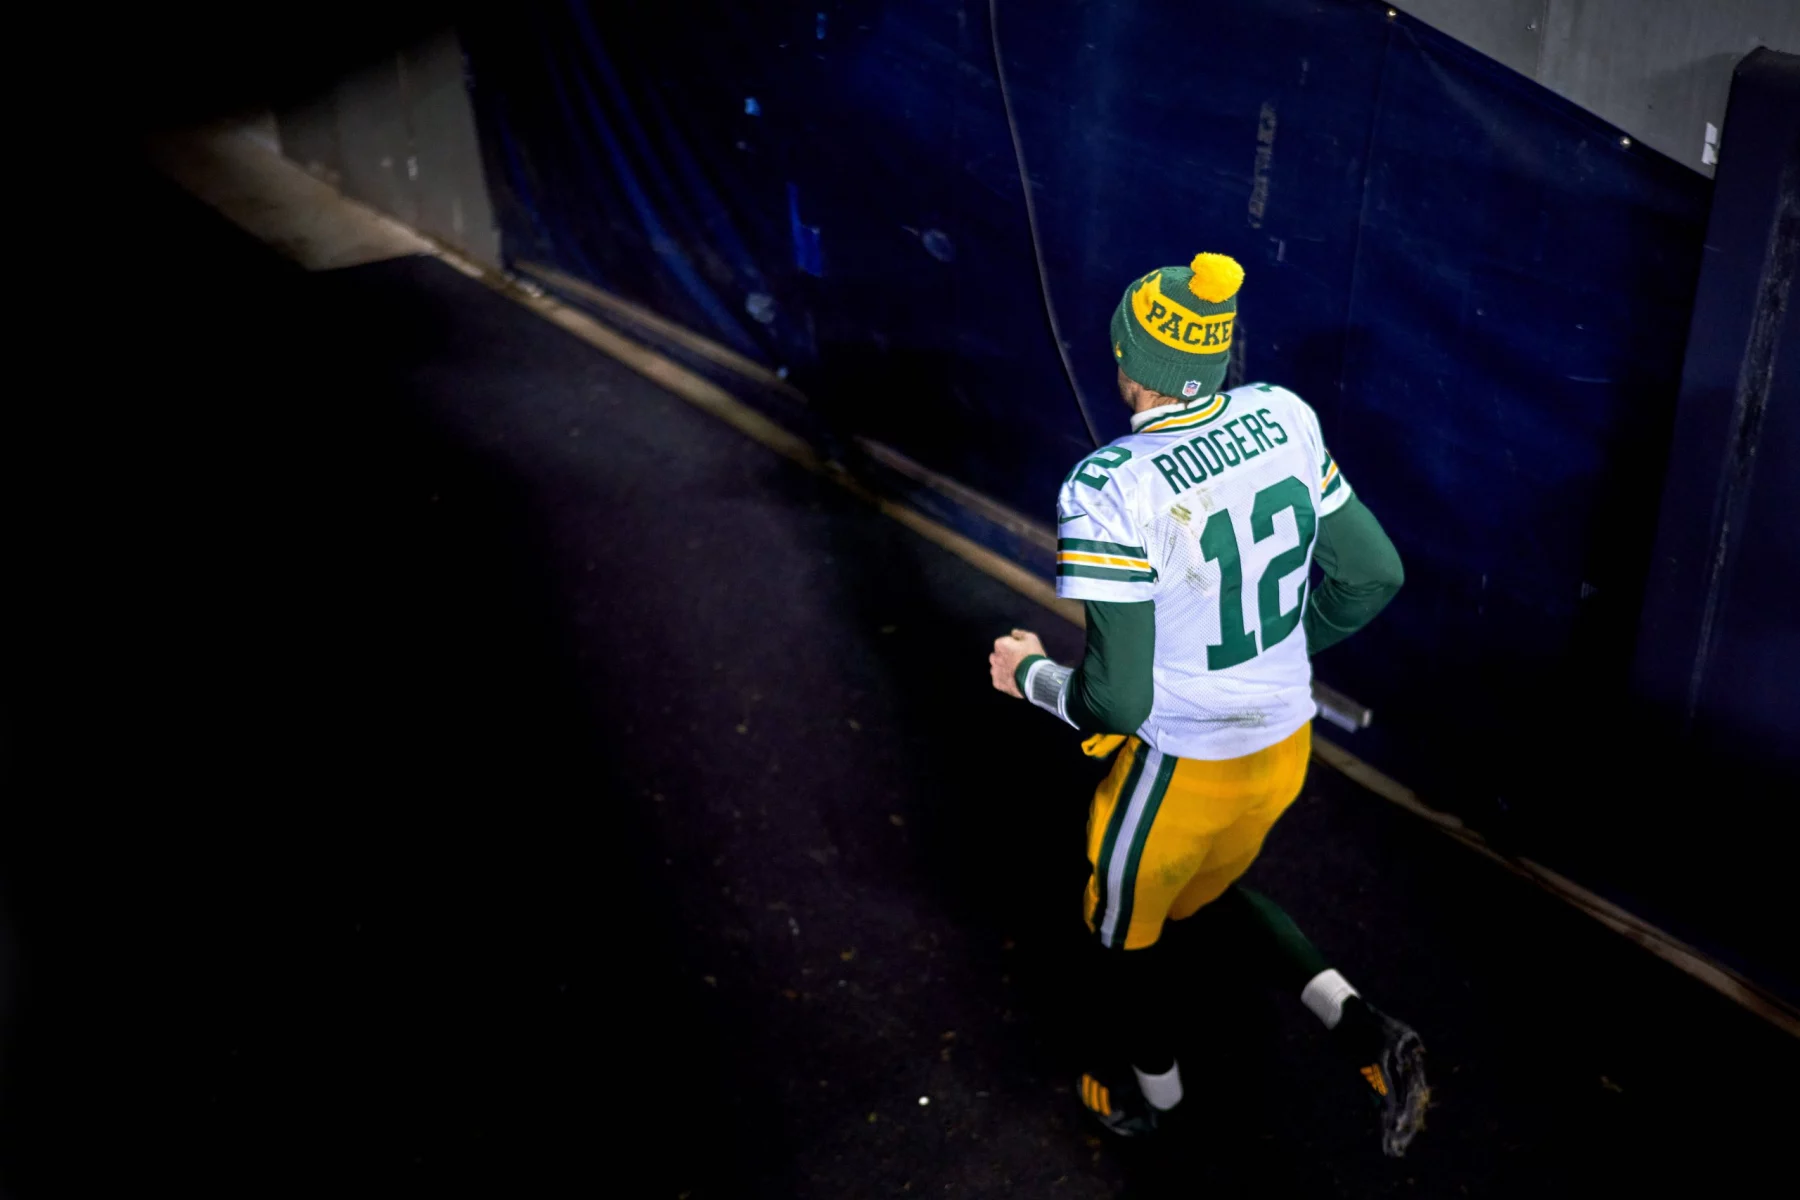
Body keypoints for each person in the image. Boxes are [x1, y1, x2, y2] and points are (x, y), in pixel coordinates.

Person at [988, 253, 1428, 1156]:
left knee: (1123, 941)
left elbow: (1114, 702)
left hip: (1179, 772)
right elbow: (1375, 573)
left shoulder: (1109, 485)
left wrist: (1028, 674)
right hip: (1282, 749)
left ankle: (1162, 1109)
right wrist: (1279, 649)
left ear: (1128, 360)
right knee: (1208, 897)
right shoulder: (1283, 414)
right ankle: (1362, 1027)